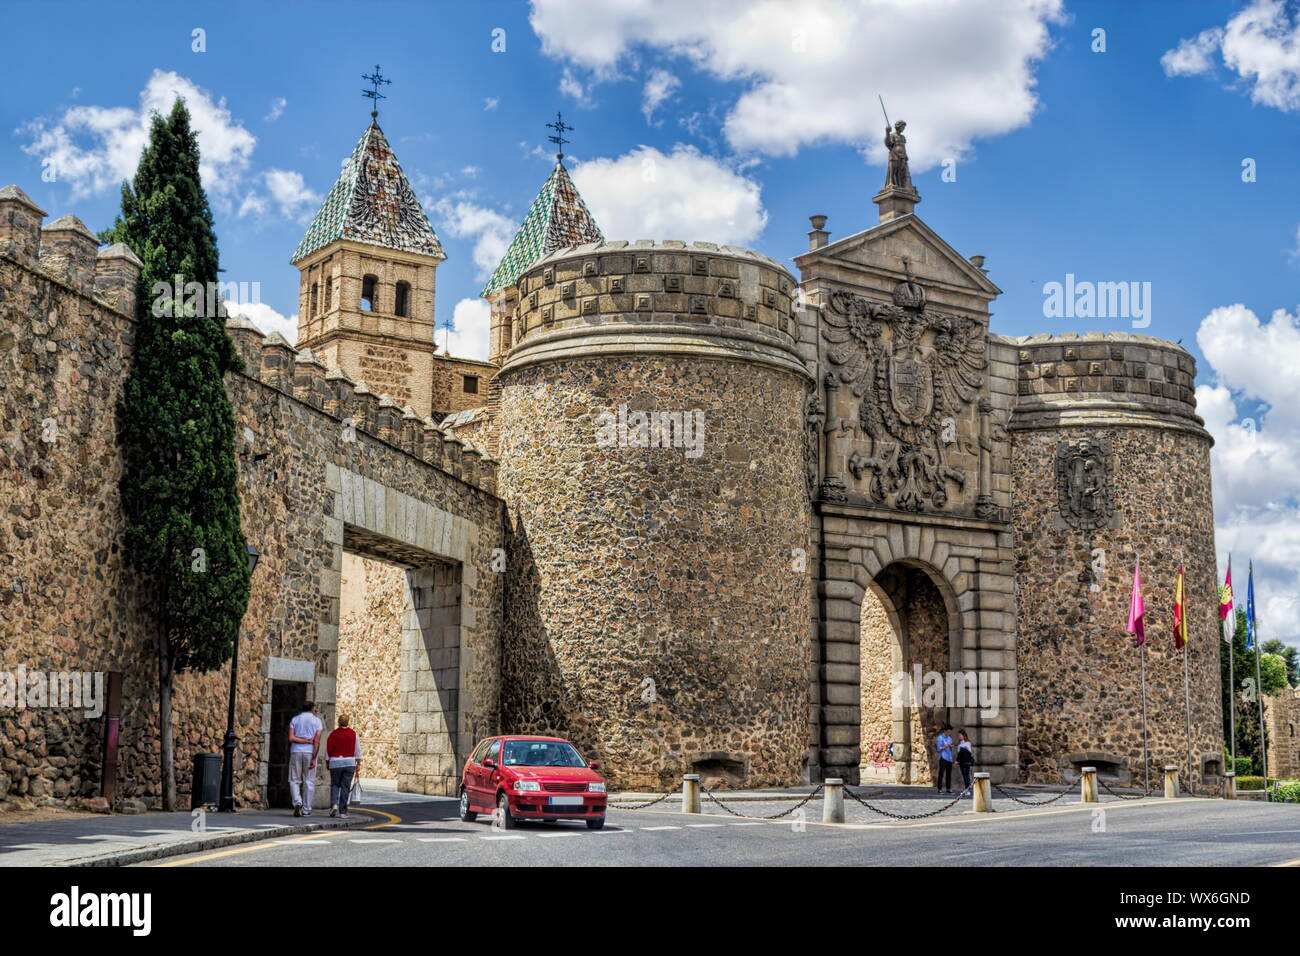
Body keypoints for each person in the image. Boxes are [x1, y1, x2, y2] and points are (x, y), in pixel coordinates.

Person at [288, 700, 323, 817]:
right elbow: (317, 741)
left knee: (294, 779)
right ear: (312, 709)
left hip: (296, 751)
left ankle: (297, 801)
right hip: (309, 751)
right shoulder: (317, 721)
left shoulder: (295, 719)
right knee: (309, 781)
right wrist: (314, 757)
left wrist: (303, 740)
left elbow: (291, 737)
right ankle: (307, 808)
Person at [326, 713, 363, 818]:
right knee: (345, 787)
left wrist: (327, 762)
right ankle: (343, 812)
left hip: (335, 763)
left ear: (338, 722)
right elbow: (357, 750)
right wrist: (358, 763)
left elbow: (328, 750)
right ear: (348, 722)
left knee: (335, 785)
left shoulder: (332, 734)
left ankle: (334, 804)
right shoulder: (353, 734)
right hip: (349, 763)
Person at [934, 723, 955, 794]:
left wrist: (951, 747)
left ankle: (948, 788)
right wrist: (947, 746)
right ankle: (939, 789)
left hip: (949, 757)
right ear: (945, 731)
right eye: (948, 732)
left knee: (949, 774)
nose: (949, 733)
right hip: (943, 757)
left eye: (950, 732)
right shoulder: (940, 738)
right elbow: (939, 749)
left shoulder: (950, 738)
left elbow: (950, 748)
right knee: (941, 774)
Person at [956, 729, 975, 795]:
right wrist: (957, 761)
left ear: (964, 735)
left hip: (966, 762)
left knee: (966, 776)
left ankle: (967, 790)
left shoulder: (967, 743)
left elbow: (969, 753)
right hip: (961, 762)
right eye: (959, 735)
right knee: (964, 776)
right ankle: (966, 789)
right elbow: (958, 754)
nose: (959, 736)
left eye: (960, 735)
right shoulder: (960, 743)